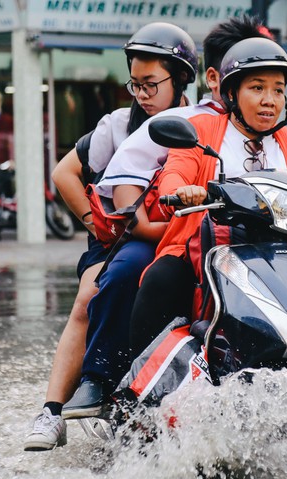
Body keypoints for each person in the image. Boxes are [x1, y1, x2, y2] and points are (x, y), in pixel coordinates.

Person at [59, 16, 275, 420]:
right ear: (216, 78)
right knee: (126, 277)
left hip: (245, 243)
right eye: (254, 82)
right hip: (164, 236)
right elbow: (151, 177)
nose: (266, 95)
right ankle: (119, 388)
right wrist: (115, 225)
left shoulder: (278, 135)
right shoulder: (187, 123)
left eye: (273, 85)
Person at [128, 37, 287, 363]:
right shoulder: (204, 129)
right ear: (232, 93)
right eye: (257, 88)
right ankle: (135, 386)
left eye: (278, 90)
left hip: (276, 256)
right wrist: (184, 190)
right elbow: (175, 171)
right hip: (201, 249)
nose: (270, 100)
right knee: (160, 279)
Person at [23, 22, 199, 451]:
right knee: (91, 294)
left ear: (180, 81)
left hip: (188, 237)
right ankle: (59, 407)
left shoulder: (204, 122)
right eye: (134, 84)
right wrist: (92, 220)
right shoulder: (118, 126)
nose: (141, 94)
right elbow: (64, 172)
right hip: (124, 240)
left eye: (150, 84)